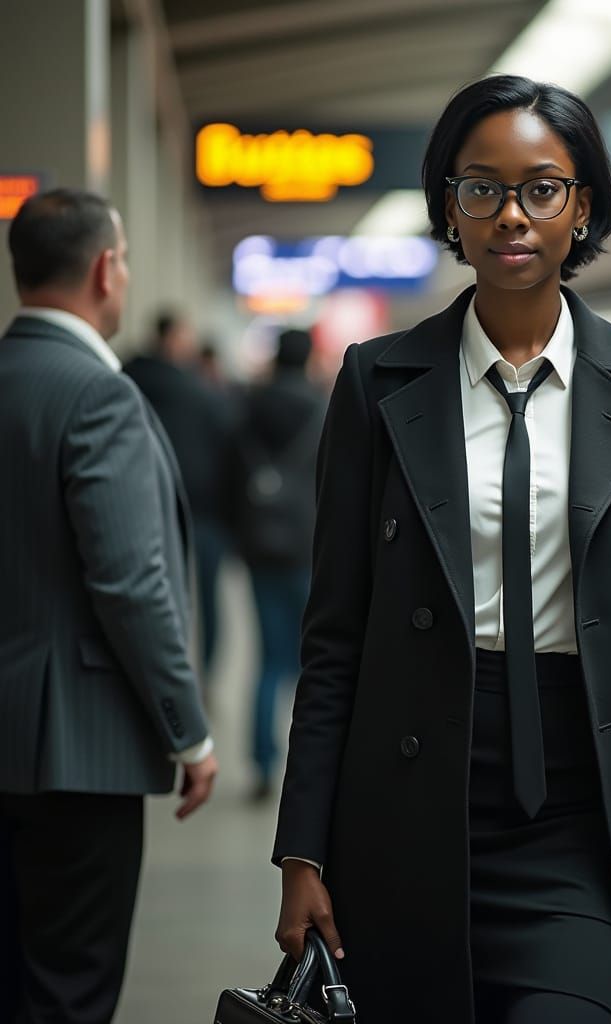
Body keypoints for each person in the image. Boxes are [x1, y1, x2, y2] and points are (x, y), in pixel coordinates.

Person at [271, 76, 611, 1024]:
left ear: (582, 207)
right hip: (412, 798)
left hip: (589, 803)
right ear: (450, 207)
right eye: (481, 188)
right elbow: (335, 635)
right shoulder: (377, 384)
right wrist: (302, 847)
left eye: (541, 189)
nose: (511, 214)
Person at [0, 188, 218, 1024]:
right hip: (78, 754)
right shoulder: (97, 395)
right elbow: (130, 583)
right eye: (123, 259)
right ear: (104, 269)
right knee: (69, 991)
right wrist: (187, 732)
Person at [228, 328, 326, 801]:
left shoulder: (248, 406)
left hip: (260, 546)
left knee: (268, 659)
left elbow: (229, 475)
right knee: (314, 659)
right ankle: (310, 765)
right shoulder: (323, 408)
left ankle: (262, 764)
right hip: (309, 546)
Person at [125, 309, 233, 679]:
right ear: (171, 339)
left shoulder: (126, 381)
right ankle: (201, 677)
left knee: (156, 597)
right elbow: (225, 450)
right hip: (202, 514)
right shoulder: (201, 392)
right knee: (205, 603)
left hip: (140, 511)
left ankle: (155, 674)